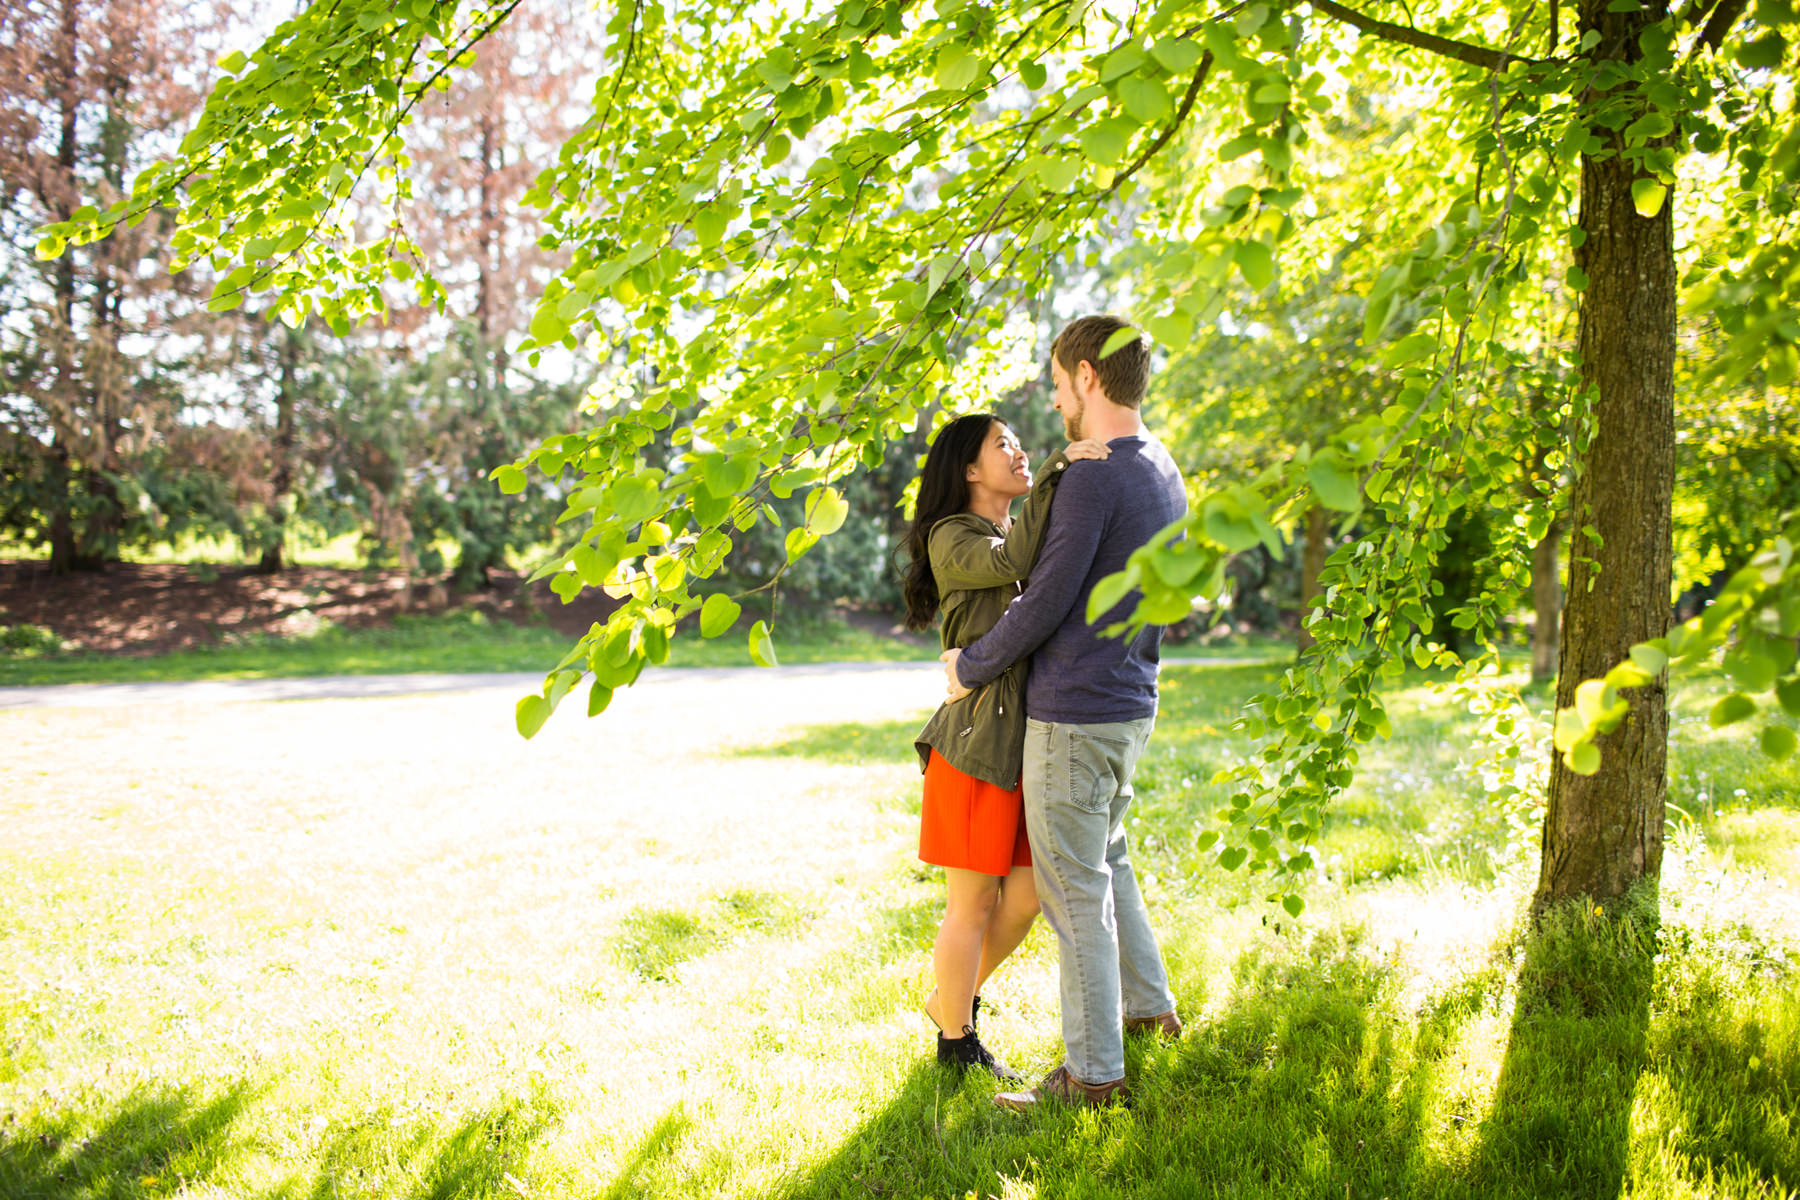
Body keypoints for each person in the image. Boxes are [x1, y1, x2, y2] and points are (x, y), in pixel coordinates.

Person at [940, 316, 1187, 1111]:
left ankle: (1093, 1077)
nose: (1053, 399)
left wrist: (967, 667)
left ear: (1087, 375)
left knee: (1074, 893)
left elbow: (1044, 599)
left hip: (1074, 714)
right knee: (1107, 864)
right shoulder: (1160, 465)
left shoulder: (1096, 473)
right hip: (1128, 703)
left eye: (1055, 381)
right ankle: (1150, 1013)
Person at [900, 412, 1110, 1079]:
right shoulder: (952, 536)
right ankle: (957, 1041)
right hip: (972, 749)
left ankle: (947, 1000)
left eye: (1021, 444)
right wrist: (1056, 467)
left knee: (1023, 897)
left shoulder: (1007, 528)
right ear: (969, 470)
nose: (1018, 453)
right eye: (1004, 445)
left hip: (1026, 744)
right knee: (972, 902)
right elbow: (1013, 564)